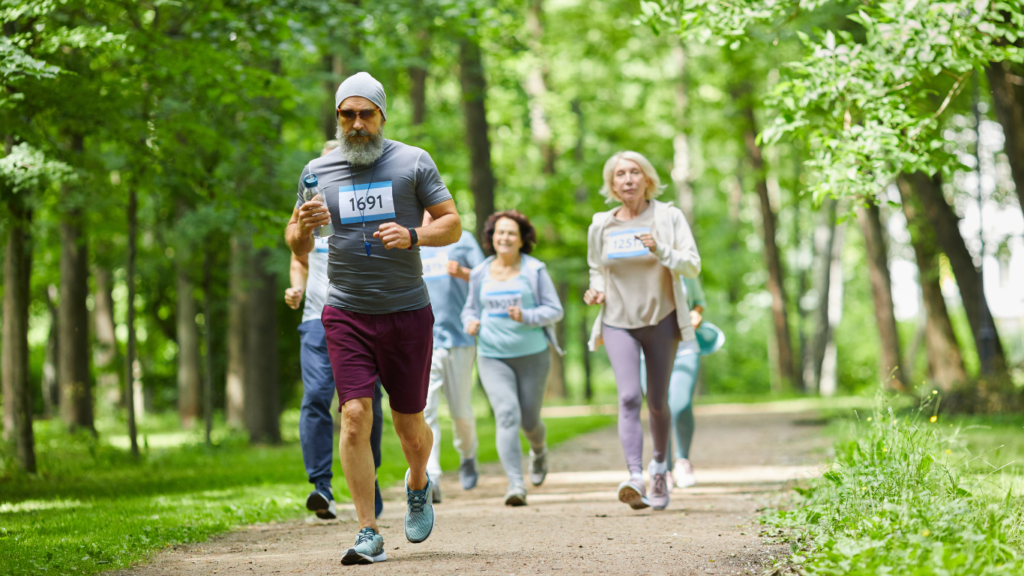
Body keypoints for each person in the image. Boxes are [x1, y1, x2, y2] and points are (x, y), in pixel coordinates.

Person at [285, 72, 462, 565]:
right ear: (337, 117)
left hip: (406, 309)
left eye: (366, 113)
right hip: (345, 311)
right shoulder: (316, 171)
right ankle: (367, 529)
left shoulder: (412, 161)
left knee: (410, 427)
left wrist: (413, 235)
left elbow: (451, 223)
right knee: (355, 416)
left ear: (382, 115)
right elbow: (295, 243)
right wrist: (301, 227)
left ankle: (418, 482)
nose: (357, 123)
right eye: (348, 114)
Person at [583, 151, 700, 511]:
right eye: (620, 174)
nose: (628, 179)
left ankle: (660, 468)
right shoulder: (601, 224)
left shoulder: (668, 217)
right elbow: (596, 268)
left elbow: (692, 265)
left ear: (647, 179)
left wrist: (660, 249)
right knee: (629, 397)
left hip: (662, 319)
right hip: (618, 321)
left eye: (635, 172)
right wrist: (596, 290)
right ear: (612, 184)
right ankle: (635, 476)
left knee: (658, 401)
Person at [285, 139, 386, 522]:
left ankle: (369, 479)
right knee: (316, 397)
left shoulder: (366, 202)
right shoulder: (309, 201)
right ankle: (321, 487)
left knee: (362, 404)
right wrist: (296, 285)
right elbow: (298, 253)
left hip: (361, 316)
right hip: (316, 319)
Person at [462, 211, 564, 506]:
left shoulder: (534, 270)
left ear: (522, 240)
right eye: (499, 233)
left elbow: (554, 310)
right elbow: (469, 309)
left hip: (533, 356)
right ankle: (515, 484)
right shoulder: (480, 272)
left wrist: (527, 316)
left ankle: (539, 449)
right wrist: (469, 322)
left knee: (530, 420)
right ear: (491, 238)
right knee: (507, 414)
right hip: (493, 357)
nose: (504, 238)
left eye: (511, 233)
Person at [420, 211, 486, 502]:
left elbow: (488, 278)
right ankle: (431, 475)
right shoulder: (410, 241)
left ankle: (468, 454)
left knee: (460, 411)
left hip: (459, 338)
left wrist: (463, 273)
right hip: (422, 340)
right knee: (426, 410)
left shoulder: (462, 239)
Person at [638, 276, 724, 490]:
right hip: (647, 350)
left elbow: (698, 302)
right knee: (658, 406)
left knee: (680, 403)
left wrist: (696, 313)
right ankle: (663, 469)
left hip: (685, 345)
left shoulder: (683, 268)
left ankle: (683, 462)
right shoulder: (636, 267)